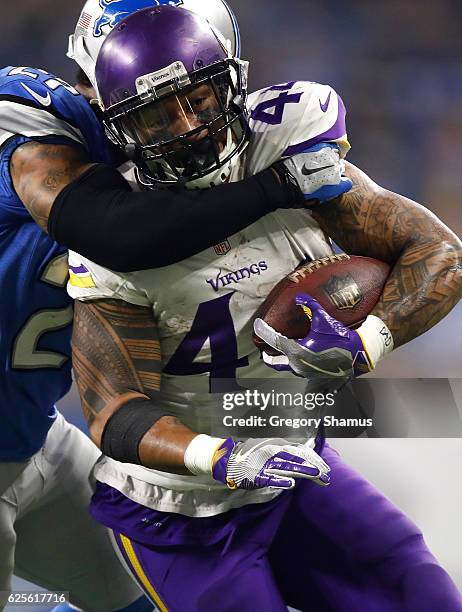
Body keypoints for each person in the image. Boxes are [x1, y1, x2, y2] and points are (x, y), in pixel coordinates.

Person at [68, 5, 462, 611]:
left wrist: (369, 342)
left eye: (198, 98)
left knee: (421, 592)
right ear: (120, 129)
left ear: (231, 82)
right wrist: (218, 454)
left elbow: (439, 253)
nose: (189, 126)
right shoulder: (114, 232)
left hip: (294, 464)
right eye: (154, 116)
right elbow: (114, 412)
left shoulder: (288, 154)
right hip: (178, 510)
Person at [0, 2, 315, 609]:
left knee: (147, 602)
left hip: (39, 438)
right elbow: (112, 232)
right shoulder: (34, 123)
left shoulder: (174, 162)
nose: (187, 123)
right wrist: (280, 184)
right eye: (156, 98)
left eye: (196, 95)